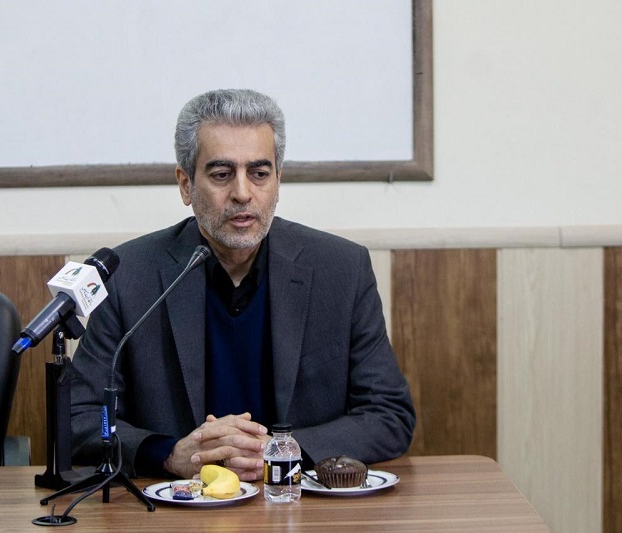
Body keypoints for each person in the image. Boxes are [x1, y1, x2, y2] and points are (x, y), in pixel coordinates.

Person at [70, 89, 415, 481]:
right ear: (185, 184)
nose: (242, 193)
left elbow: (389, 414)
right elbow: (81, 417)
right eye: (221, 174)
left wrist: (281, 451)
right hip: (179, 502)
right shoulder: (129, 275)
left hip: (299, 500)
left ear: (278, 181)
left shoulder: (341, 270)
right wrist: (169, 454)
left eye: (259, 174)